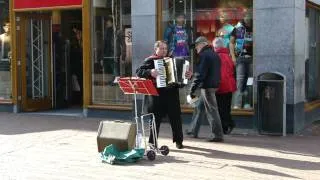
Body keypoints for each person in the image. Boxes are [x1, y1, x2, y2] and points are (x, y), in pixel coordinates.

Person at [136, 40, 192, 149]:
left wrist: (187, 76)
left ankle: (178, 141)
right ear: (156, 49)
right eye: (161, 48)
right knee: (155, 120)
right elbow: (138, 72)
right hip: (157, 95)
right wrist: (150, 72)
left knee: (176, 119)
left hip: (172, 95)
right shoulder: (150, 61)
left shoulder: (173, 60)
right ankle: (152, 143)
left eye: (165, 48)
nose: (164, 51)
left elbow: (181, 82)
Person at [187, 36, 224, 142]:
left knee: (212, 111)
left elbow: (200, 74)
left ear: (202, 44)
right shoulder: (214, 54)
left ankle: (217, 135)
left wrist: (192, 89)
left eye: (197, 46)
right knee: (200, 107)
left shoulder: (204, 55)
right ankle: (193, 130)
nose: (196, 49)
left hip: (207, 86)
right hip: (213, 85)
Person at [213, 37, 237, 134]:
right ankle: (228, 124)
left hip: (221, 86)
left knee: (220, 108)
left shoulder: (217, 56)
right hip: (230, 85)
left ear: (215, 47)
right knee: (226, 107)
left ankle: (226, 126)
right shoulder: (228, 56)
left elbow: (220, 74)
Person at [233, 12, 253, 109]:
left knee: (250, 82)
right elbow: (231, 42)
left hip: (252, 58)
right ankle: (237, 103)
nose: (248, 18)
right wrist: (233, 57)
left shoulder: (255, 27)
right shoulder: (238, 27)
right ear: (244, 17)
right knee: (240, 81)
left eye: (250, 16)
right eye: (246, 16)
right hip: (240, 58)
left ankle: (247, 103)